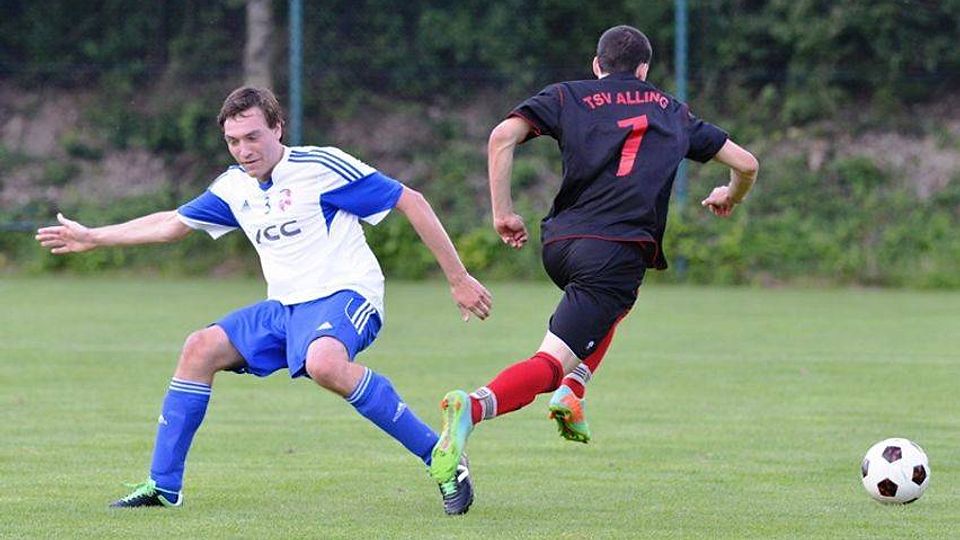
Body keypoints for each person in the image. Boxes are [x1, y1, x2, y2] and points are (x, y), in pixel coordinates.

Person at [36, 86, 490, 515]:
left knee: (325, 363)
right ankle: (163, 485)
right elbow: (172, 223)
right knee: (199, 348)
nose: (243, 149)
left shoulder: (321, 167)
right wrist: (94, 237)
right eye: (233, 141)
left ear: (277, 128)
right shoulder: (234, 187)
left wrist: (458, 277)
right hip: (285, 309)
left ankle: (440, 455)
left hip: (346, 295)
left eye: (252, 136)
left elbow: (411, 200)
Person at [428, 25, 759, 493]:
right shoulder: (674, 112)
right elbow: (747, 164)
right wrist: (731, 194)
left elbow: (502, 137)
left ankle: (575, 391)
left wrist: (503, 213)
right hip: (617, 251)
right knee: (551, 363)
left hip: (559, 245)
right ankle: (475, 406)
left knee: (614, 305)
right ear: (645, 70)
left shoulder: (569, 95)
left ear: (597, 65)